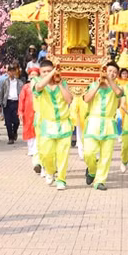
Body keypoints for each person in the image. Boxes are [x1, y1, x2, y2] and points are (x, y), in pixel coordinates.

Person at [82, 62, 124, 191]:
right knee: (88, 152)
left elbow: (119, 94)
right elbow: (86, 99)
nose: (111, 73)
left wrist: (110, 81)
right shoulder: (93, 85)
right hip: (93, 122)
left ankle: (100, 181)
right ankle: (92, 170)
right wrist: (98, 85)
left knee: (106, 155)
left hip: (108, 124)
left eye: (114, 72)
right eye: (109, 70)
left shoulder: (117, 87)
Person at [33, 59, 73, 190]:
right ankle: (50, 171)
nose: (47, 74)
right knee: (46, 153)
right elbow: (38, 87)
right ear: (40, 72)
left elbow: (69, 99)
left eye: (49, 71)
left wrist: (60, 84)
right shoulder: (38, 83)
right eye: (44, 72)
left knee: (63, 154)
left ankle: (61, 179)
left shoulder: (63, 83)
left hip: (63, 124)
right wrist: (51, 74)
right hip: (47, 124)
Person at [18, 65, 40, 173]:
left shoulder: (40, 86)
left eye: (36, 75)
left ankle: (36, 151)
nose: (34, 77)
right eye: (32, 75)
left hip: (38, 112)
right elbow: (21, 99)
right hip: (28, 112)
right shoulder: (26, 87)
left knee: (37, 131)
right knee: (29, 131)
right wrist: (20, 112)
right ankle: (31, 149)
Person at [0, 63, 23, 144]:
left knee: (16, 121)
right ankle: (10, 138)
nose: (12, 73)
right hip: (7, 103)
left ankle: (15, 131)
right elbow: (1, 93)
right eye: (10, 71)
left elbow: (22, 93)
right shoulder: (4, 82)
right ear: (8, 72)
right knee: (8, 122)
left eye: (13, 71)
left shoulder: (19, 82)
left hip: (16, 102)